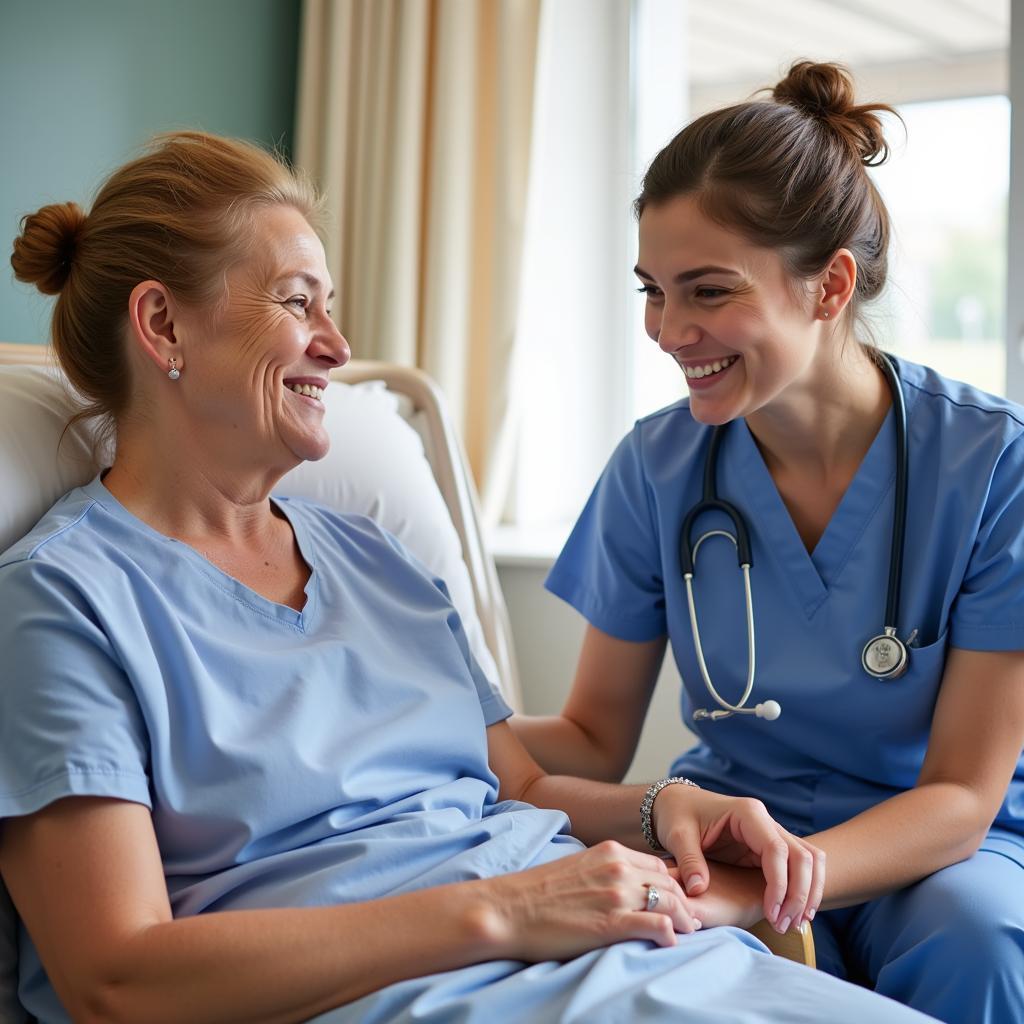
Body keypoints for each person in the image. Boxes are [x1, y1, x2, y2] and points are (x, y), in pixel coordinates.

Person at [0, 130, 936, 1024]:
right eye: (297, 303)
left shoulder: (373, 559)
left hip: (626, 953)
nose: (335, 343)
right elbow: (114, 981)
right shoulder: (67, 603)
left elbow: (521, 788)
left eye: (330, 305)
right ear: (163, 322)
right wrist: (511, 911)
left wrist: (665, 809)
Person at [511, 61, 1024, 1024]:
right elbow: (588, 736)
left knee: (981, 941)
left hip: (942, 847)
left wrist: (778, 889)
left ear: (829, 285)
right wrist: (432, 724)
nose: (669, 331)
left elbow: (960, 791)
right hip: (731, 832)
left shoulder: (995, 467)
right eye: (652, 292)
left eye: (707, 291)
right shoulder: (657, 468)